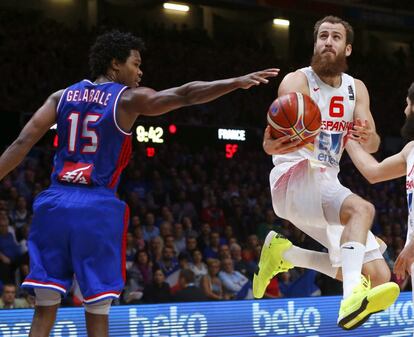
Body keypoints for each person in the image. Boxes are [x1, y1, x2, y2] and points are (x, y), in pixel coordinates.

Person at [0, 30, 278, 337]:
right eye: (136, 63)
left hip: (54, 204)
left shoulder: (61, 96)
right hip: (95, 207)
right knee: (96, 310)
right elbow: (184, 95)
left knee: (44, 309)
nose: (140, 71)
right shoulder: (127, 99)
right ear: (115, 65)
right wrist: (234, 83)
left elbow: (22, 142)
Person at [253, 16, 399, 330]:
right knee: (362, 208)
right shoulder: (297, 81)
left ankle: (286, 253)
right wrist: (285, 139)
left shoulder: (355, 89)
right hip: (293, 178)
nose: (327, 42)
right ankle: (350, 300)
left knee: (377, 276)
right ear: (315, 44)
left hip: (325, 185)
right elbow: (269, 143)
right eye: (322, 36)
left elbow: (372, 142)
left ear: (347, 48)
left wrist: (364, 134)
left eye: (335, 37)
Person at [345, 82, 414, 308]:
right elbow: (373, 173)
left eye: (407, 104)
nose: (405, 111)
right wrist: (347, 136)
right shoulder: (410, 150)